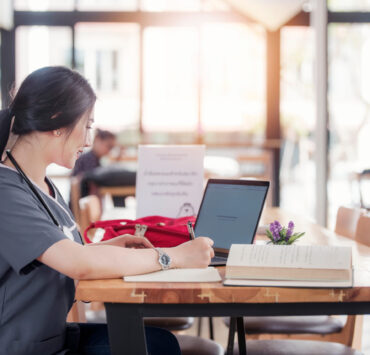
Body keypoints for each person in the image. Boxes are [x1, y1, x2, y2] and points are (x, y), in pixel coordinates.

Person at [0, 66, 214, 355]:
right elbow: (78, 263)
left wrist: (107, 247)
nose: (88, 141)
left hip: (51, 338)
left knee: (160, 343)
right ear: (56, 121)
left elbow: (68, 253)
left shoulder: (43, 184)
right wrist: (175, 256)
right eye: (87, 125)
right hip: (24, 348)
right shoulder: (6, 191)